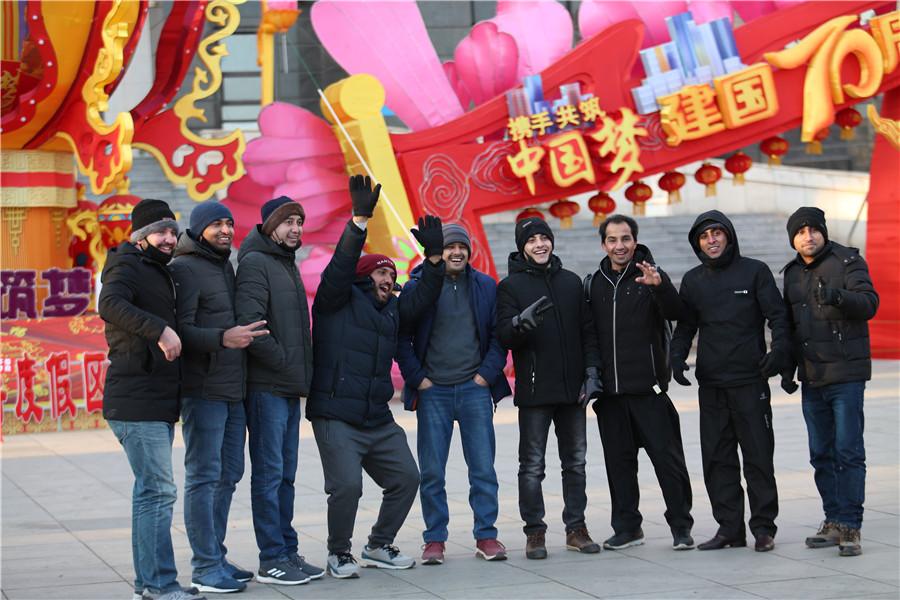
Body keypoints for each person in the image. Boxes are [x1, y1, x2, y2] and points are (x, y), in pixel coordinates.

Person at [307, 175, 432, 578]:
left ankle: (379, 544)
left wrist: (431, 261)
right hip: (336, 415)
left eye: (392, 275)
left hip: (377, 417)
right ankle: (338, 552)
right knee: (346, 487)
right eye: (382, 273)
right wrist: (359, 221)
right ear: (364, 279)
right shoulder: (335, 302)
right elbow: (340, 269)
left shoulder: (391, 310)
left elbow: (419, 299)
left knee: (407, 478)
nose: (389, 279)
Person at [99, 199, 204, 600]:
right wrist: (159, 329)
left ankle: (148, 584)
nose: (169, 238)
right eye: (161, 231)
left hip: (157, 398)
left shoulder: (160, 271)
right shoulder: (127, 264)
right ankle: (159, 585)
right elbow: (108, 304)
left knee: (150, 492)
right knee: (159, 491)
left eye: (173, 232)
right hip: (135, 396)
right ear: (141, 235)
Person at [670, 210, 788, 553]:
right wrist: (676, 357)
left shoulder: (755, 271)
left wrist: (778, 351)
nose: (712, 240)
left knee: (758, 456)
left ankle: (763, 528)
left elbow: (778, 316)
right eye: (704, 236)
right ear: (697, 243)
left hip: (750, 380)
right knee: (717, 459)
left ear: (729, 236)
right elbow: (686, 326)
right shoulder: (693, 280)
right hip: (712, 384)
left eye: (717, 234)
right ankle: (729, 528)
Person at [397, 223, 512, 565]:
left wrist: (484, 376)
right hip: (434, 393)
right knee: (432, 471)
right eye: (450, 248)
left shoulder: (485, 286)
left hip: (474, 389)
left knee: (482, 469)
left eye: (462, 246)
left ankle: (486, 535)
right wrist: (418, 379)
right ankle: (434, 539)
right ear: (439, 251)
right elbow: (401, 336)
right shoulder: (420, 285)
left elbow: (498, 337)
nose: (457, 252)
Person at [170, 201, 269, 593]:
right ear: (198, 230)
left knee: (228, 475)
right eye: (216, 224)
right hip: (203, 391)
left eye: (229, 223)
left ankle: (218, 555)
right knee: (204, 477)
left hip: (233, 390)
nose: (226, 230)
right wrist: (222, 338)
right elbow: (180, 330)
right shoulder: (184, 269)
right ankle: (205, 567)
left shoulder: (223, 265)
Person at [585, 214, 695, 551]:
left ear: (635, 241)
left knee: (668, 461)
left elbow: (678, 313)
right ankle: (628, 527)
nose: (620, 246)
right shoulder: (594, 284)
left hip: (649, 391)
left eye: (626, 239)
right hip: (611, 396)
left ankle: (681, 526)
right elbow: (588, 336)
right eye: (613, 240)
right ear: (604, 244)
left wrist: (659, 287)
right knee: (619, 467)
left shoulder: (650, 275)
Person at [495, 217, 603, 559]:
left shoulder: (571, 282)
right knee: (532, 466)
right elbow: (503, 336)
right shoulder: (509, 287)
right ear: (521, 246)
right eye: (532, 240)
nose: (540, 244)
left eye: (545, 237)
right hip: (535, 392)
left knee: (576, 463)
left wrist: (591, 372)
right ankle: (535, 532)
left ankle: (576, 528)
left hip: (573, 392)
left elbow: (588, 332)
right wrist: (519, 324)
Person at [235, 195, 323, 585]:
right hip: (268, 386)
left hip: (286, 387)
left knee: (286, 474)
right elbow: (252, 328)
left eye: (300, 222)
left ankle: (287, 550)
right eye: (289, 222)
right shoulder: (256, 263)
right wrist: (288, 365)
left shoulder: (284, 263)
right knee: (269, 475)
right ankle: (271, 557)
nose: (296, 229)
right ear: (271, 225)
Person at [782, 207, 879, 557]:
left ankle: (851, 525)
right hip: (812, 376)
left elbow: (870, 303)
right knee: (821, 453)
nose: (808, 236)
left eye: (813, 230)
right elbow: (790, 328)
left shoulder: (848, 261)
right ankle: (833, 519)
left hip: (846, 375)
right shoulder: (792, 274)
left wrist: (838, 296)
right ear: (792, 238)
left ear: (822, 231)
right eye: (800, 231)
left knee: (848, 451)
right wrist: (787, 369)